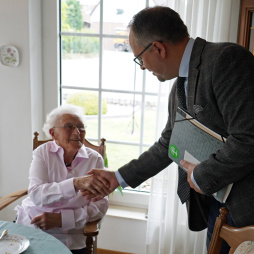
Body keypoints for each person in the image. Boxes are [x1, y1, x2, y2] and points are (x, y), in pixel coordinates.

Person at [81, 6, 254, 253]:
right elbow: (168, 144)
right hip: (217, 202)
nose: (141, 67)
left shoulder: (226, 60)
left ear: (158, 48)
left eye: (139, 58)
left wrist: (200, 175)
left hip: (246, 207)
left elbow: (249, 138)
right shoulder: (179, 85)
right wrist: (117, 177)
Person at [15, 104, 109, 254]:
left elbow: (100, 205)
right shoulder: (42, 153)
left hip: (74, 235)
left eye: (81, 127)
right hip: (35, 226)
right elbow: (37, 195)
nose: (77, 132)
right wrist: (76, 183)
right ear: (53, 133)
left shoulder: (95, 160)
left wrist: (63, 219)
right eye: (69, 126)